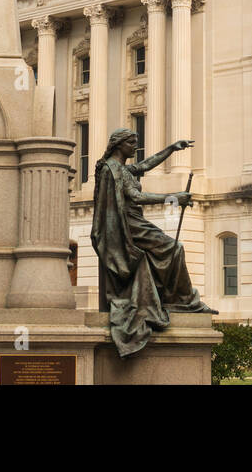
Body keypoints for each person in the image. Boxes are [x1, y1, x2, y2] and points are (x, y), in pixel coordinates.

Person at [90, 129, 216, 358]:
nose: (135, 148)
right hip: (127, 225)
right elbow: (136, 198)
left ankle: (175, 298)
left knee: (169, 251)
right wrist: (174, 198)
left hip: (134, 221)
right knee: (174, 248)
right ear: (119, 145)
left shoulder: (124, 169)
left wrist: (171, 149)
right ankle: (184, 300)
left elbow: (145, 166)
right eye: (132, 143)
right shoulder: (113, 168)